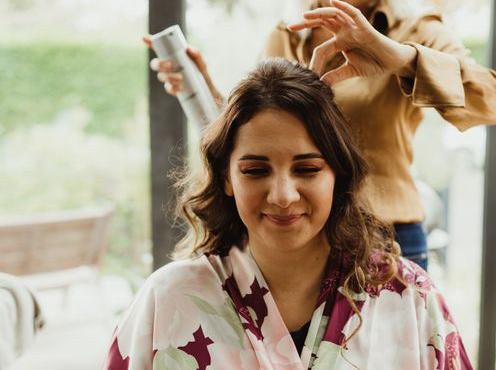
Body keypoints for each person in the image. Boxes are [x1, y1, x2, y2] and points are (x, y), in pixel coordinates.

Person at [150, 0, 496, 269]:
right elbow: (258, 148)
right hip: (299, 246)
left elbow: (490, 102)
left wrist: (398, 57)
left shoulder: (415, 31)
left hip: (388, 242)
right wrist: (207, 96)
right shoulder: (285, 37)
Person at [104, 59, 472, 369]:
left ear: (337, 176)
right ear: (226, 178)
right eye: (255, 170)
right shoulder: (169, 298)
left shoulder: (408, 296)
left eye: (307, 169)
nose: (282, 196)